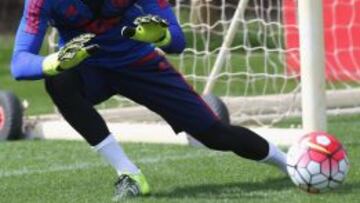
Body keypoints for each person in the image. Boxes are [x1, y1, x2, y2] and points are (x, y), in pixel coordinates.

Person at [11, 0, 288, 200]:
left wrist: (162, 35)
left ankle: (288, 163)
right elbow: (19, 63)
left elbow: (178, 41)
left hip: (139, 64)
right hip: (88, 68)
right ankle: (128, 173)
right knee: (59, 80)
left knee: (214, 135)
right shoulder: (41, 1)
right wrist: (55, 61)